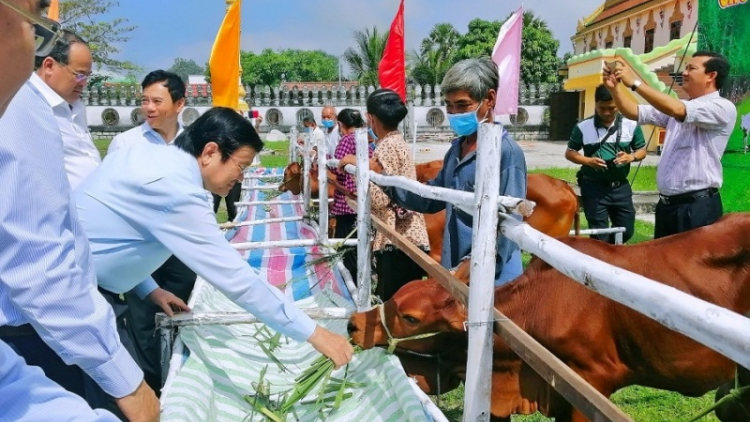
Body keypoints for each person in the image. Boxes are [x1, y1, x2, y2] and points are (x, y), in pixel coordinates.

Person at [75, 107, 354, 370]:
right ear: (210, 151)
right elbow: (237, 279)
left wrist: (151, 289)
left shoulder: (145, 156)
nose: (241, 178)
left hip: (78, 280)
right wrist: (316, 334)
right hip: (77, 298)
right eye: (241, 166)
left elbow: (113, 238)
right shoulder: (179, 191)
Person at [0, 0, 159, 420]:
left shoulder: (68, 116)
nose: (44, 29)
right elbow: (36, 261)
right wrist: (128, 382)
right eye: (36, 20)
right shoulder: (20, 107)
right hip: (39, 325)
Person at [379, 58, 527, 286]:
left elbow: (511, 218)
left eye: (462, 105)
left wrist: (478, 262)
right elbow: (431, 198)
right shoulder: (456, 150)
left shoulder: (507, 153)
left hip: (493, 279)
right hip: (456, 269)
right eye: (449, 105)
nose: (454, 113)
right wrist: (385, 181)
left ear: (489, 99)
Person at [106, 70, 197, 395]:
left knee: (184, 312)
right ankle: (154, 390)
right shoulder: (125, 143)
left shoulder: (194, 145)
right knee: (144, 320)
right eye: (145, 100)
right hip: (138, 250)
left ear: (179, 103)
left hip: (180, 250)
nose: (150, 107)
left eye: (157, 101)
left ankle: (183, 383)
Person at [603, 52, 736, 238]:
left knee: (690, 266)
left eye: (692, 68)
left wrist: (635, 83)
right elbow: (635, 112)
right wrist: (614, 89)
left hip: (697, 207)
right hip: (667, 206)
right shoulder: (677, 106)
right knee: (662, 265)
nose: (685, 72)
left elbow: (678, 110)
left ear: (711, 76)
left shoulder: (722, 107)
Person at [339, 90, 430, 300]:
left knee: (394, 301)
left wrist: (357, 168)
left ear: (370, 118)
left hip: (397, 238)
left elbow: (380, 199)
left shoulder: (386, 147)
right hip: (405, 235)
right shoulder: (397, 142)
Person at [565, 84, 646, 244]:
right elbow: (570, 152)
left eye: (612, 108)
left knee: (626, 231)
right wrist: (588, 161)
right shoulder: (583, 127)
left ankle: (606, 252)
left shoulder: (631, 124)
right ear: (595, 103)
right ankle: (603, 257)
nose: (607, 113)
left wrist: (631, 157)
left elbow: (642, 150)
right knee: (599, 234)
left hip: (621, 187)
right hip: (594, 188)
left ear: (618, 103)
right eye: (602, 108)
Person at [33, 29, 99, 190]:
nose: (84, 83)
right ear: (49, 66)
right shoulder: (27, 105)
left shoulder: (76, 107)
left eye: (87, 76)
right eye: (79, 74)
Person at [330, 108, 370, 282]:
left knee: (348, 248)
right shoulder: (365, 139)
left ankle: (352, 283)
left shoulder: (346, 140)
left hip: (348, 203)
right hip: (361, 200)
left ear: (340, 124)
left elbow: (335, 167)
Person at [212, 108, 263, 221]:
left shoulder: (243, 135)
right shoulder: (219, 131)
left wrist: (257, 124)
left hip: (234, 177)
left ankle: (231, 233)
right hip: (218, 175)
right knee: (211, 207)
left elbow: (254, 140)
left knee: (233, 209)